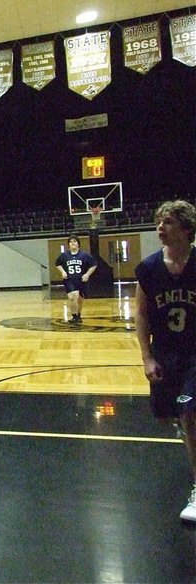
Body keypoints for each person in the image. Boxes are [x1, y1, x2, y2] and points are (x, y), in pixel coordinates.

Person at [134, 199, 196, 522]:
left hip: (194, 353)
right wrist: (146, 357)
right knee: (167, 412)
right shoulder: (148, 269)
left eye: (168, 222)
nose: (160, 227)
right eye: (158, 221)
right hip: (165, 353)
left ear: (186, 229)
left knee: (190, 414)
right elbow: (142, 316)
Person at [55, 235, 97, 323]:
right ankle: (74, 316)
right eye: (71, 242)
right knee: (72, 297)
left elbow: (93, 265)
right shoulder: (64, 255)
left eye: (74, 241)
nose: (73, 243)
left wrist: (87, 274)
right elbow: (58, 264)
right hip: (69, 280)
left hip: (81, 280)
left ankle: (78, 315)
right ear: (68, 245)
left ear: (78, 244)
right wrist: (63, 271)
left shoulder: (84, 255)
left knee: (80, 299)